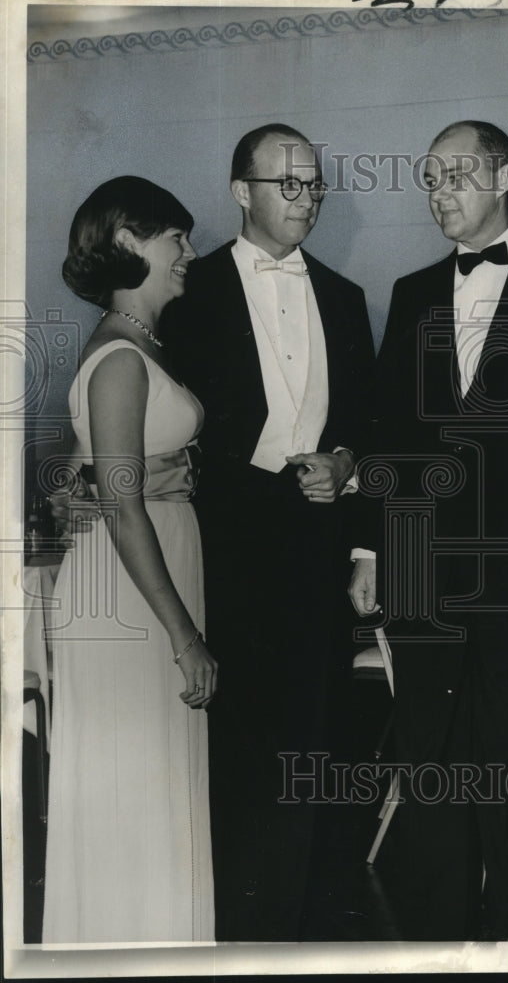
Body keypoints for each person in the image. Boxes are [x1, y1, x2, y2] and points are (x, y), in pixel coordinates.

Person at [349, 120, 508, 940]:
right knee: (431, 759)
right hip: (423, 569)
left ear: (507, 176)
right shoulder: (413, 289)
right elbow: (387, 430)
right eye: (429, 178)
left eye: (457, 175)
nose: (440, 192)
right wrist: (367, 548)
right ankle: (441, 938)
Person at [160, 124, 376, 941]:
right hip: (218, 545)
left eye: (315, 184)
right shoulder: (188, 291)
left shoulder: (349, 297)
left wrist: (347, 461)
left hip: (317, 546)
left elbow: (367, 421)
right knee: (229, 741)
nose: (307, 199)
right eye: (288, 183)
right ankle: (229, 923)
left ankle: (295, 928)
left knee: (313, 737)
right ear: (240, 192)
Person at [43, 176, 217, 942]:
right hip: (132, 593)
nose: (189, 252)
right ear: (127, 243)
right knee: (134, 789)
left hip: (150, 572)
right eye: (176, 238)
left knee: (152, 785)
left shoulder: (140, 345)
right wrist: (184, 635)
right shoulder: (120, 356)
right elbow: (117, 502)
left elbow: (115, 475)